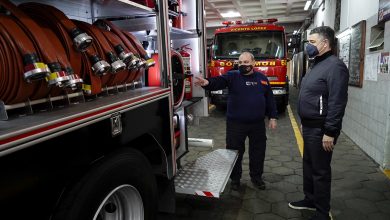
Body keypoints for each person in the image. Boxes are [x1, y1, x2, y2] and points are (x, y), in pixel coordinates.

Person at [288, 26, 349, 220]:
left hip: (322, 129)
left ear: (325, 43)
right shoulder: (316, 64)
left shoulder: (335, 66)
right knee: (309, 166)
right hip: (309, 126)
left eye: (312, 42)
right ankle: (310, 199)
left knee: (320, 172)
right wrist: (305, 122)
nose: (308, 46)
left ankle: (322, 213)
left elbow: (337, 102)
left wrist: (330, 131)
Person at [194, 52, 278, 191]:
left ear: (253, 63)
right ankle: (235, 179)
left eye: (246, 62)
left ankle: (256, 178)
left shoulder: (262, 79)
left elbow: (269, 99)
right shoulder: (233, 75)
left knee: (258, 152)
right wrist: (207, 83)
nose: (242, 65)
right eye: (240, 62)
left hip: (257, 124)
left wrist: (273, 117)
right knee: (234, 153)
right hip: (236, 124)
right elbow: (219, 81)